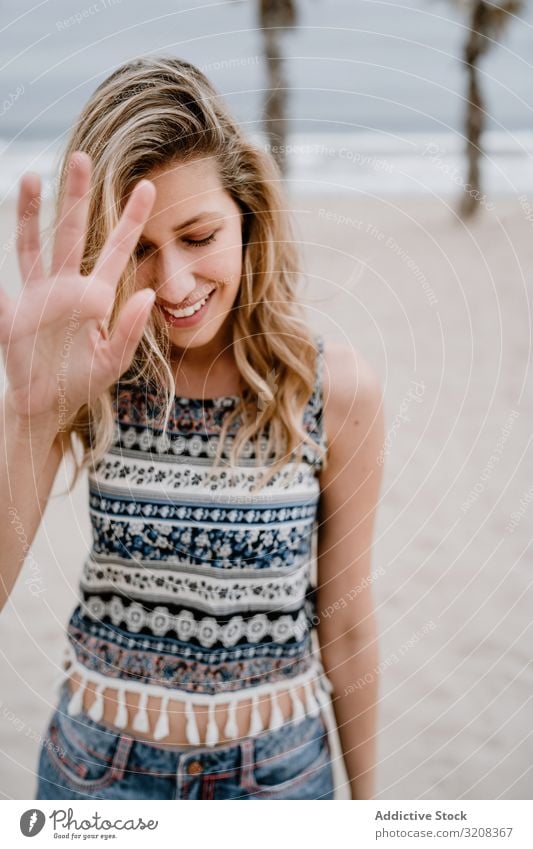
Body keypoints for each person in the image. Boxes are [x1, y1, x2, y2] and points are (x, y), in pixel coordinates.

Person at [0, 56, 384, 800]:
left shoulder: (334, 389)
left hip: (279, 779)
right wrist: (31, 414)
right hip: (99, 777)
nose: (174, 284)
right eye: (140, 251)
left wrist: (368, 814)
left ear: (248, 217)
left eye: (199, 235)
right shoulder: (93, 376)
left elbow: (347, 621)